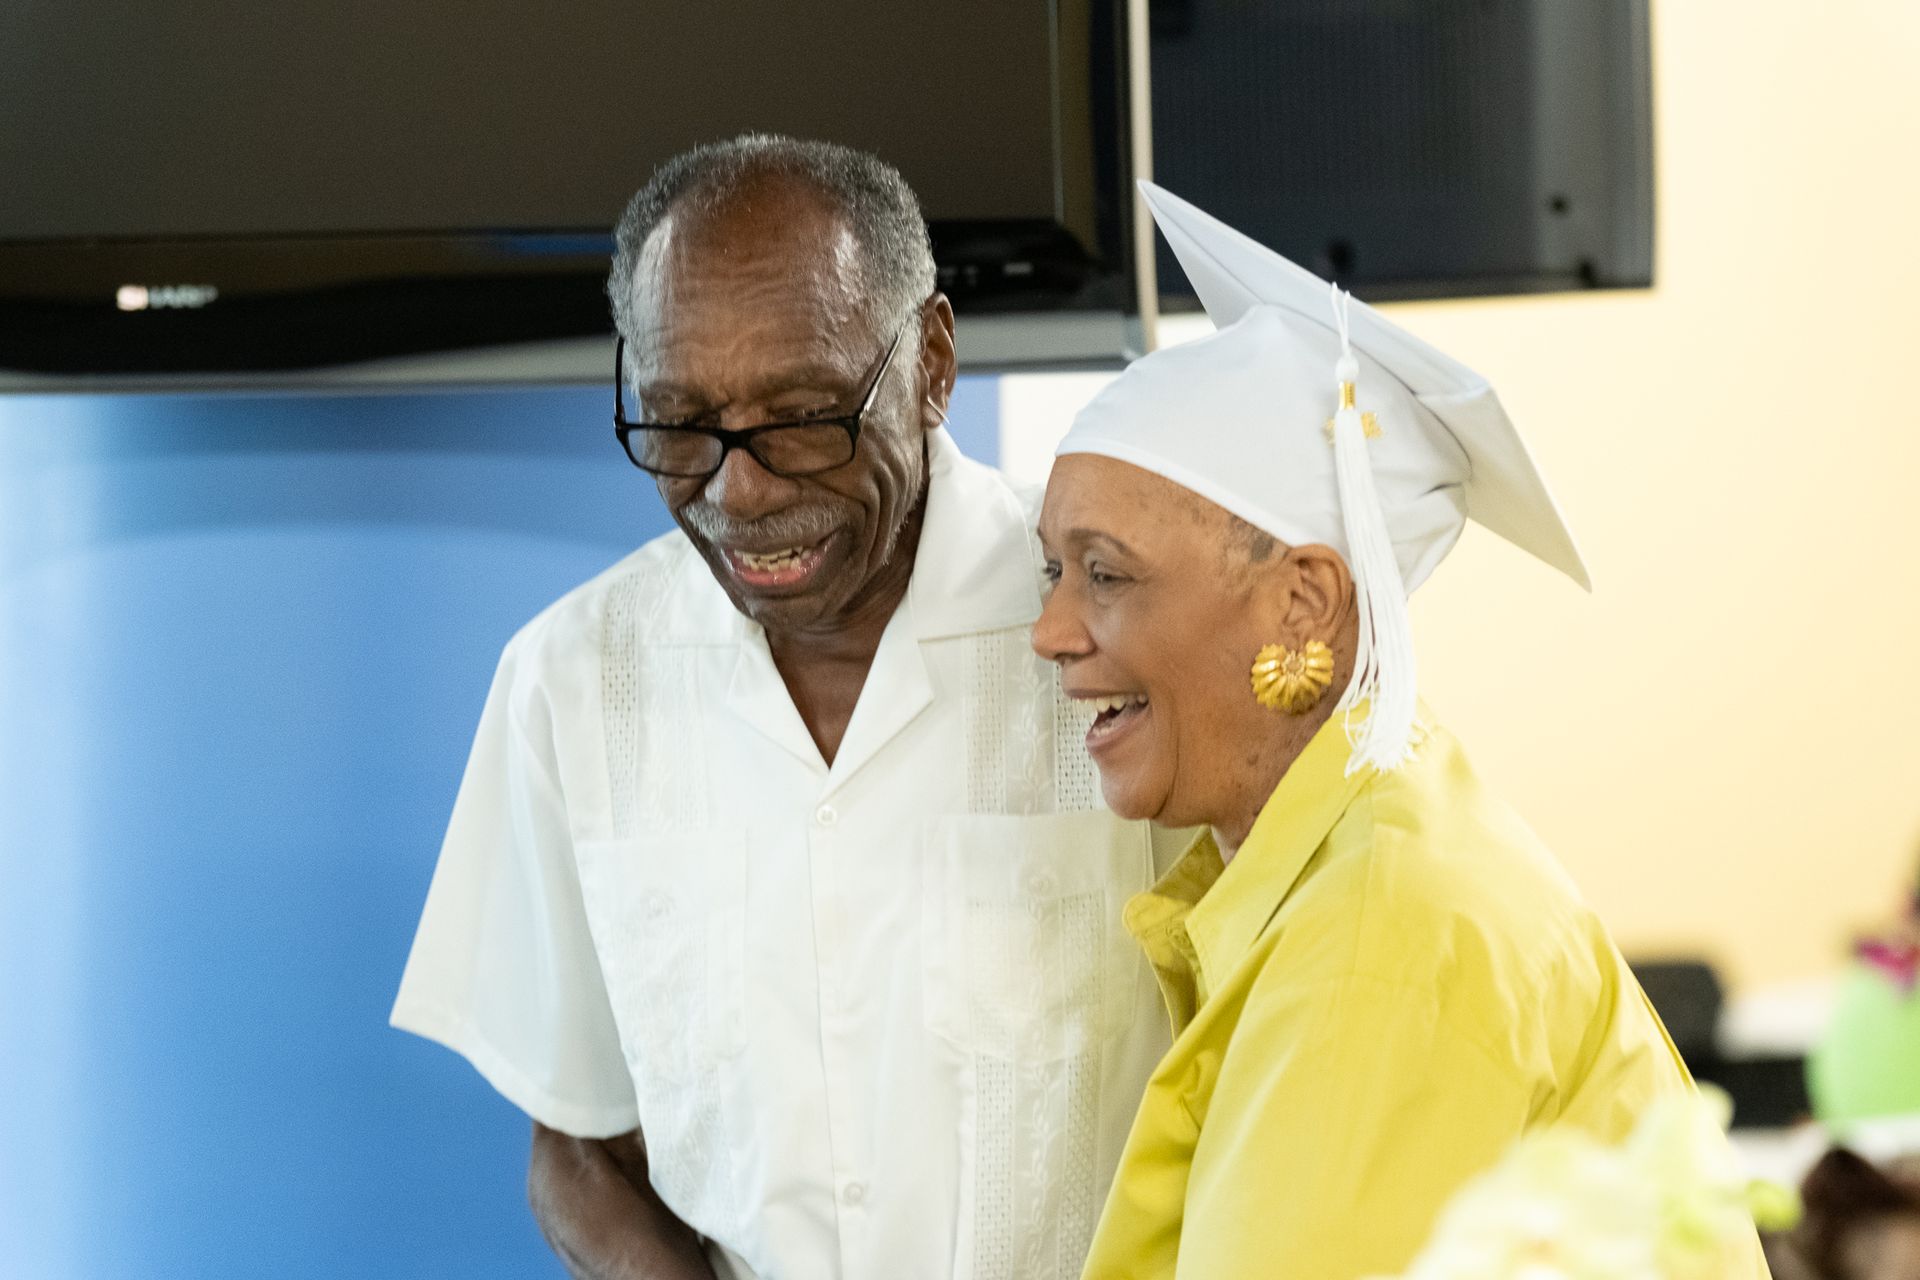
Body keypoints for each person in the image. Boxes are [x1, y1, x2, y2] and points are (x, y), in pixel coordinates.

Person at [390, 137, 1176, 1280]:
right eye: (677, 422)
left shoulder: (1111, 638)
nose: (738, 490)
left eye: (805, 414)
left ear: (933, 363)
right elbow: (578, 1141)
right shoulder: (570, 681)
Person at [1029, 184, 1771, 1279]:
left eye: (1105, 573)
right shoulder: (1369, 852)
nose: (1049, 629)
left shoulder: (1378, 945)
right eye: (1053, 568)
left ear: (1303, 602)